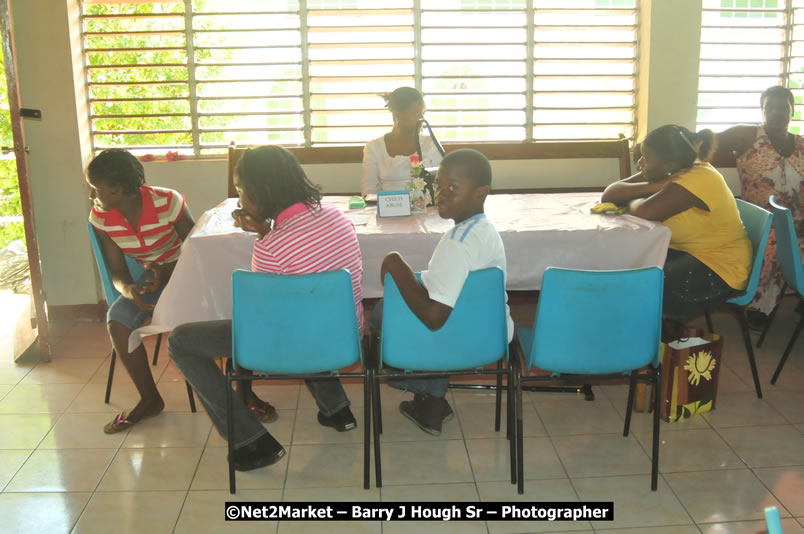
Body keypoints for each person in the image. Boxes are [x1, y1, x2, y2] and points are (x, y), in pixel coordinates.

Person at [168, 146, 363, 471]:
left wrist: (263, 237)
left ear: (263, 191)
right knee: (310, 313)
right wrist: (266, 231)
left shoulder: (271, 246)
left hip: (300, 345)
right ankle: (337, 410)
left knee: (181, 341)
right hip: (345, 337)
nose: (240, 200)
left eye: (241, 190)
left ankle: (250, 441)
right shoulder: (336, 216)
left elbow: (263, 318)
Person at [375, 149, 514, 436]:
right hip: (490, 334)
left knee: (381, 314)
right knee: (403, 304)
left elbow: (434, 317)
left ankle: (429, 396)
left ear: (480, 192)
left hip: (458, 338)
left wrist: (394, 262)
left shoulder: (457, 242)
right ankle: (430, 398)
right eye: (439, 185)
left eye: (453, 188)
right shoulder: (484, 229)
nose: (441, 194)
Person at [87, 149, 195, 433]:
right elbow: (118, 271)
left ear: (117, 190)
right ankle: (150, 399)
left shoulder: (167, 202)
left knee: (218, 314)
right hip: (153, 278)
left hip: (189, 272)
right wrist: (129, 290)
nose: (92, 195)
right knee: (118, 321)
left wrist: (167, 270)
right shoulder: (101, 217)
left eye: (95, 188)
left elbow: (197, 252)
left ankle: (244, 393)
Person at [601, 125, 753, 322]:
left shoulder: (700, 178)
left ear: (668, 165)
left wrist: (636, 196)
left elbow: (644, 212)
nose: (640, 163)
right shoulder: (670, 171)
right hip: (687, 254)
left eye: (645, 158)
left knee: (640, 284)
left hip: (719, 269)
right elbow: (610, 193)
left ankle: (646, 336)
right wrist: (655, 186)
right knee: (626, 266)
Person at [714, 85, 804, 322]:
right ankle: (757, 308)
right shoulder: (747, 135)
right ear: (762, 110)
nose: (776, 112)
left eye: (783, 107)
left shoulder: (802, 145)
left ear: (793, 110)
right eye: (770, 107)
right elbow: (705, 143)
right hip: (762, 223)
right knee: (775, 244)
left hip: (799, 223)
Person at [361, 86, 444, 197]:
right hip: (388, 207)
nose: (422, 119)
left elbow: (442, 183)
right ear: (398, 115)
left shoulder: (430, 143)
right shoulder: (374, 148)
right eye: (416, 114)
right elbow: (368, 191)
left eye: (423, 113)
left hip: (425, 207)